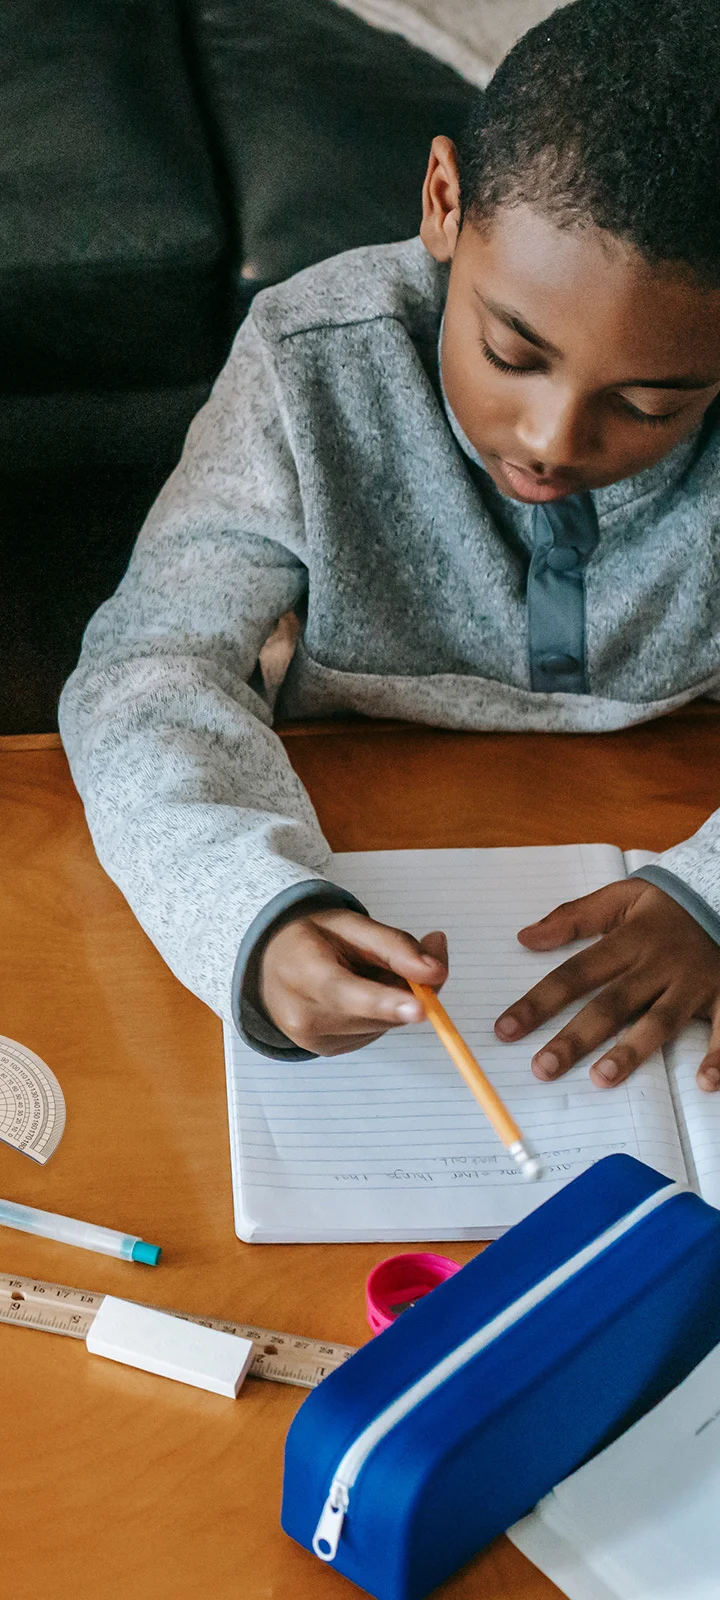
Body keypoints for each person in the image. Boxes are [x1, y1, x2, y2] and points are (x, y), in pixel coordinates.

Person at [60, 0, 720, 1092]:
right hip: (348, 824)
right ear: (443, 203)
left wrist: (710, 896)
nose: (552, 441)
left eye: (651, 405)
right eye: (512, 353)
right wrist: (251, 914)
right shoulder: (310, 363)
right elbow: (147, 667)